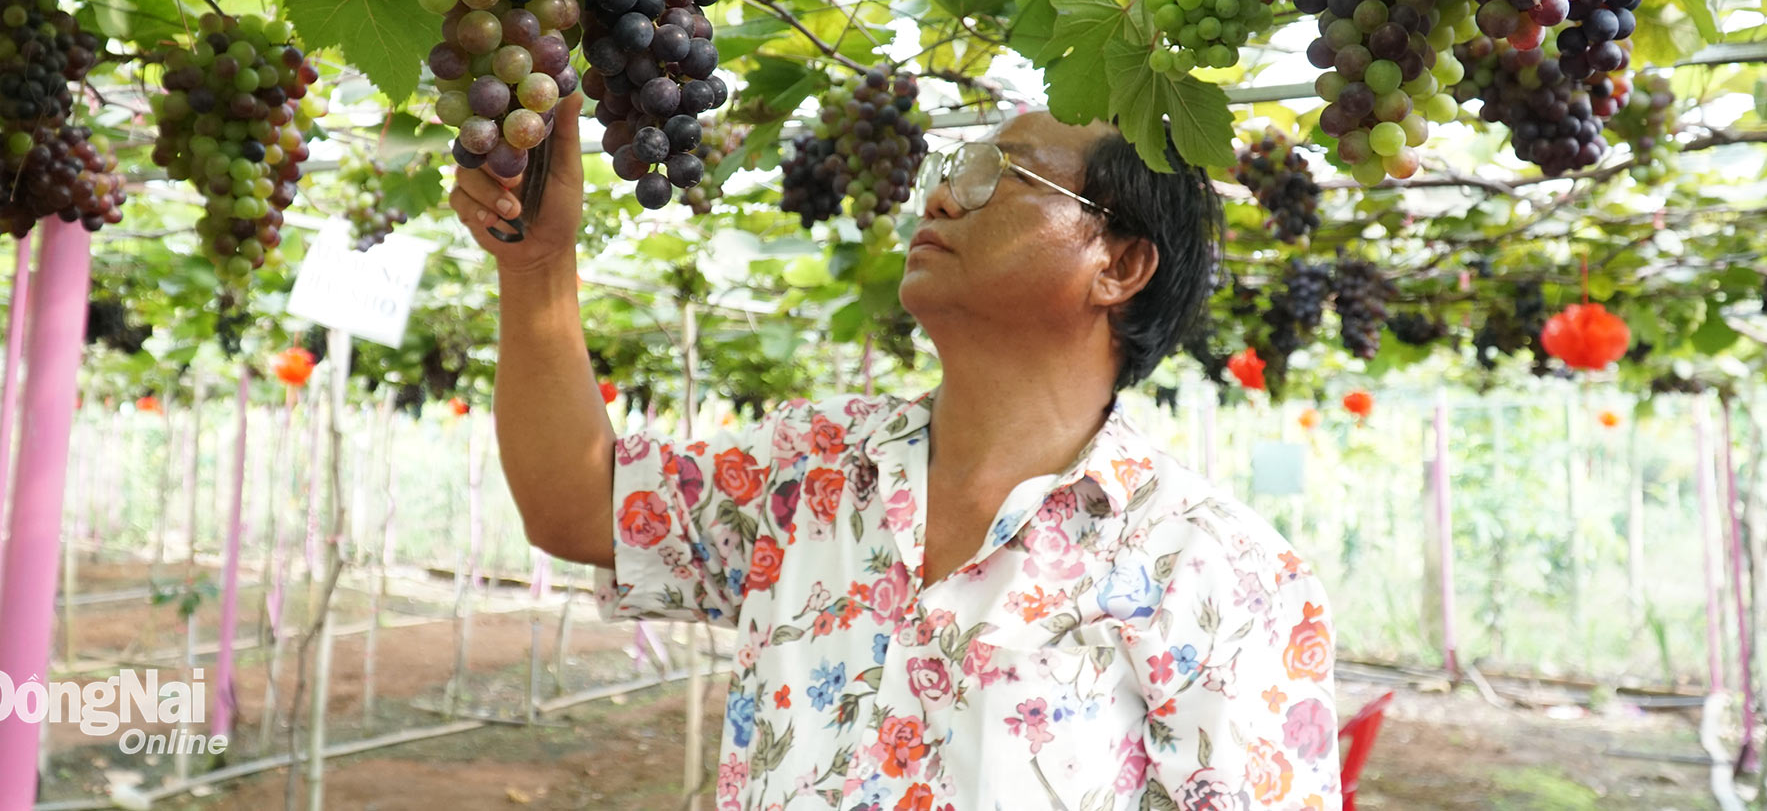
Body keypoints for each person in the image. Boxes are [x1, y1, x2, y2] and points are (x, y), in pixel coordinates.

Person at [450, 98, 1340, 810]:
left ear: (1120, 265)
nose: (942, 198)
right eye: (950, 170)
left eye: (999, 175)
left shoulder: (1219, 574)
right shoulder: (812, 467)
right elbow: (578, 506)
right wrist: (536, 266)